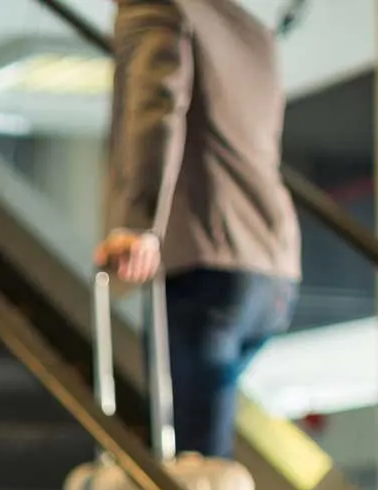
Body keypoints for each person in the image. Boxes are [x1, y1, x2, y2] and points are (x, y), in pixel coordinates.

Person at [97, 0, 302, 460]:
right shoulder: (251, 30)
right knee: (204, 459)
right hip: (273, 274)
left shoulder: (157, 7)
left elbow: (157, 107)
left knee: (192, 471)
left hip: (206, 265)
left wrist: (137, 222)